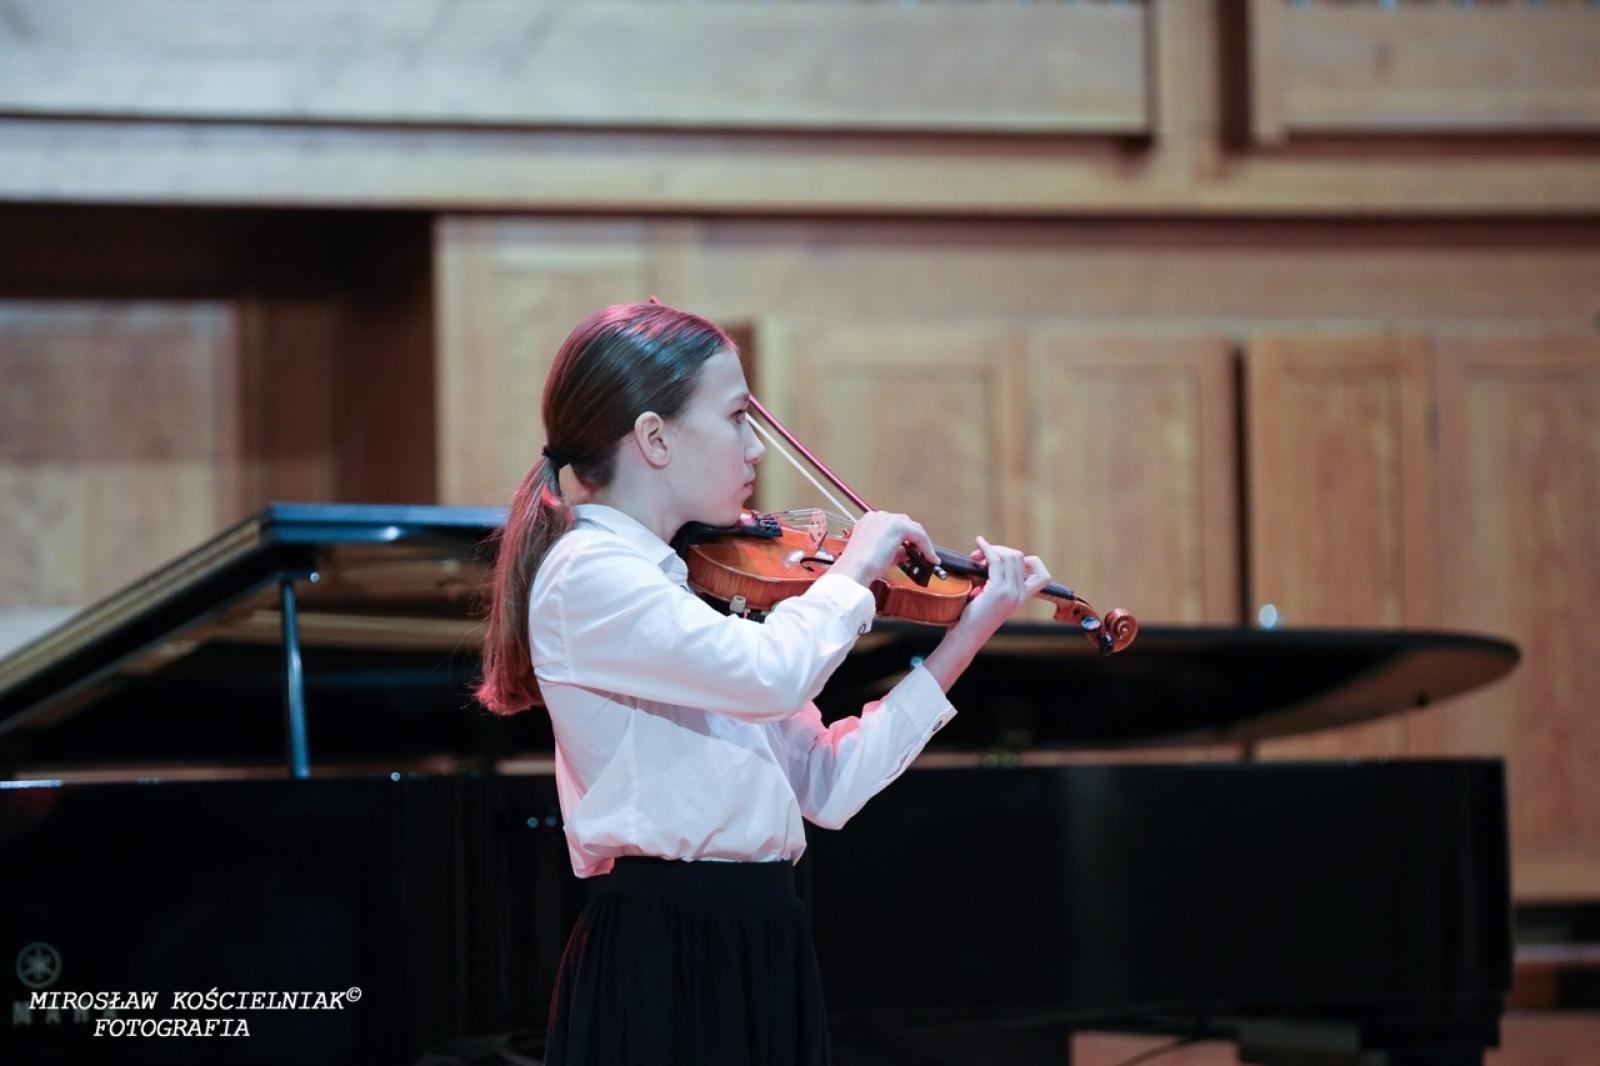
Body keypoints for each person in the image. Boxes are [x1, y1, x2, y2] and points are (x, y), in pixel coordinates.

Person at [475, 300, 1051, 1066]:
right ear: (654, 437)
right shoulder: (591, 577)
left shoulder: (696, 583)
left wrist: (965, 636)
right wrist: (851, 571)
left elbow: (827, 783)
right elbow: (773, 674)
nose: (754, 449)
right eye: (736, 418)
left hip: (761, 932)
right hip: (669, 945)